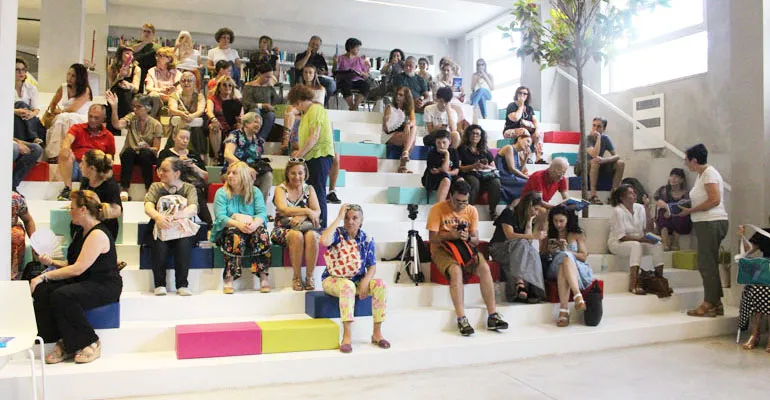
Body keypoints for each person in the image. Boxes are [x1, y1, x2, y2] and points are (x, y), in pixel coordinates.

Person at [33, 190, 122, 364]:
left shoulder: (97, 234)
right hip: (85, 280)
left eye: (72, 207)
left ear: (83, 210)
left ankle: (90, 341)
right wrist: (51, 262)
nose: (69, 211)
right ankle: (61, 340)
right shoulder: (79, 232)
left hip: (104, 285)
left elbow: (77, 269)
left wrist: (43, 276)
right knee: (44, 290)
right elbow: (73, 264)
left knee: (62, 295)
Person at [427, 180, 508, 336]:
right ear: (450, 196)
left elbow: (476, 240)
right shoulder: (437, 209)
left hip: (465, 247)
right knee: (455, 271)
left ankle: (492, 315)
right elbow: (432, 238)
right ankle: (462, 318)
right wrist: (451, 235)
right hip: (442, 249)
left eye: (465, 201)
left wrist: (468, 237)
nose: (461, 205)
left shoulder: (471, 211)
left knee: (484, 267)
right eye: (458, 201)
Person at [320, 204, 389, 353]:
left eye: (355, 218)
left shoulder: (367, 239)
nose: (350, 221)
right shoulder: (337, 234)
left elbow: (372, 266)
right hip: (334, 280)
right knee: (347, 286)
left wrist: (366, 280)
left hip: (357, 281)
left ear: (361, 221)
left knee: (380, 284)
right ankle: (347, 337)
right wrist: (338, 217)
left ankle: (377, 333)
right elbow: (324, 241)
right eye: (347, 218)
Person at [679, 144, 729, 317]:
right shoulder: (702, 175)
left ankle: (709, 302)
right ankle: (716, 303)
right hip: (706, 222)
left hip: (711, 222)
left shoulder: (709, 173)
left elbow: (714, 200)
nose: (685, 163)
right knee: (708, 263)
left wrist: (691, 211)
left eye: (686, 160)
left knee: (706, 264)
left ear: (694, 160)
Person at [212, 161, 271, 294]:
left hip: (250, 226)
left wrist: (254, 224)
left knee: (261, 233)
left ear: (244, 176)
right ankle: (229, 277)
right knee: (235, 236)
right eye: (229, 173)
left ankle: (263, 276)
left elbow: (261, 213)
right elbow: (221, 217)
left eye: (234, 173)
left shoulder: (255, 192)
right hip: (229, 227)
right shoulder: (221, 193)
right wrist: (239, 224)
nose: (229, 176)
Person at [143, 158, 198, 296]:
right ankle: (159, 284)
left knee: (184, 244)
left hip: (180, 226)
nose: (160, 173)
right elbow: (148, 206)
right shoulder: (156, 187)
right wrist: (158, 217)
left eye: (165, 170)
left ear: (177, 173)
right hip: (161, 225)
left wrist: (176, 217)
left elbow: (193, 208)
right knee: (159, 245)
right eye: (160, 169)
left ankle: (182, 284)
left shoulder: (189, 188)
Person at [287, 84, 335, 228]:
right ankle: (315, 223)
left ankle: (322, 225)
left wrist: (298, 156)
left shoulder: (315, 109)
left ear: (299, 101)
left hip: (320, 156)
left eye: (296, 104)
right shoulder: (306, 114)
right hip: (311, 157)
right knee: (312, 192)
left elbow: (314, 137)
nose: (296, 108)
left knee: (318, 192)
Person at [271, 159, 322, 291]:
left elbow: (317, 211)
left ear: (305, 174)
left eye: (300, 173)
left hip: (305, 226)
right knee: (296, 235)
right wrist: (307, 211)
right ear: (287, 173)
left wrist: (303, 216)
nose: (297, 177)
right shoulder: (280, 189)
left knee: (312, 236)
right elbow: (283, 209)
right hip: (283, 228)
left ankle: (309, 277)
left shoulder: (309, 189)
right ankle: (297, 277)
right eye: (293, 173)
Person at [607, 184, 665, 295]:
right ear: (622, 197)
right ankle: (633, 283)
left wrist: (646, 207)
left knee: (657, 245)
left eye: (634, 192)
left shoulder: (640, 208)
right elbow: (622, 237)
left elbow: (649, 229)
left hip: (638, 240)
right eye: (630, 193)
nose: (634, 194)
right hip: (618, 243)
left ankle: (659, 280)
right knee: (635, 245)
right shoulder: (618, 211)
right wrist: (641, 239)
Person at [489, 191, 546, 304]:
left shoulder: (527, 217)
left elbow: (528, 241)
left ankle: (527, 290)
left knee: (532, 252)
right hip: (499, 248)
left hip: (516, 251)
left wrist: (529, 221)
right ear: (528, 205)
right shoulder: (508, 212)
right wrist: (532, 236)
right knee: (523, 245)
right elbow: (509, 235)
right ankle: (522, 283)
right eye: (535, 209)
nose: (536, 212)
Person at [105, 92, 162, 200]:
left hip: (146, 156)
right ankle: (124, 189)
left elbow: (156, 149)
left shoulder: (156, 124)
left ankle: (149, 189)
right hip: (131, 155)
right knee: (128, 152)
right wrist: (114, 107)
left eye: (139, 107)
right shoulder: (131, 117)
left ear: (148, 108)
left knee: (145, 153)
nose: (135, 109)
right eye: (134, 106)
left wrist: (147, 147)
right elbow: (117, 125)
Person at [545, 206, 593, 327]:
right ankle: (578, 296)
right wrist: (549, 251)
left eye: (561, 221)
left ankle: (564, 310)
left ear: (568, 220)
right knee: (563, 258)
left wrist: (567, 251)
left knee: (565, 259)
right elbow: (542, 255)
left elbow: (583, 256)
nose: (558, 224)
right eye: (555, 221)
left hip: (576, 268)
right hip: (553, 268)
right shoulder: (550, 234)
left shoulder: (577, 234)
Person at [56, 105, 116, 201]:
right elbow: (68, 140)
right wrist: (66, 148)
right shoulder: (77, 128)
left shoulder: (109, 136)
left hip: (94, 168)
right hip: (75, 166)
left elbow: (110, 157)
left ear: (103, 118)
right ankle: (67, 189)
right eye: (90, 116)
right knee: (65, 151)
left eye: (96, 118)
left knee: (103, 162)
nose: (92, 120)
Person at [158, 129, 212, 227]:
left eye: (187, 138)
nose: (185, 141)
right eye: (182, 138)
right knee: (195, 192)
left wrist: (193, 166)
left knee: (196, 191)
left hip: (193, 186)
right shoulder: (165, 153)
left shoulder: (194, 154)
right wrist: (177, 162)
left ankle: (209, 226)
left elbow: (206, 176)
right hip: (173, 185)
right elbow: (159, 173)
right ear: (174, 137)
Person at [44, 63, 93, 162]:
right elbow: (52, 105)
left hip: (80, 117)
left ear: (80, 77)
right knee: (62, 119)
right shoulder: (63, 88)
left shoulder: (85, 90)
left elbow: (73, 109)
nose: (69, 78)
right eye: (68, 74)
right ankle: (54, 154)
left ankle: (64, 153)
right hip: (64, 116)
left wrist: (61, 112)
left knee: (66, 118)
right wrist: (55, 111)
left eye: (73, 76)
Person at [222, 112, 273, 202]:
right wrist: (245, 168)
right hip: (233, 171)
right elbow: (227, 154)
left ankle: (260, 205)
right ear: (246, 123)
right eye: (255, 122)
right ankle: (245, 205)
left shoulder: (259, 141)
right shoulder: (235, 135)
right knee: (246, 175)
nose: (258, 125)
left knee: (268, 176)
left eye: (260, 124)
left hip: (251, 173)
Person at [73, 150, 122, 243]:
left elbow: (117, 211)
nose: (80, 165)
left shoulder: (110, 185)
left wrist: (93, 213)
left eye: (83, 162)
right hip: (84, 226)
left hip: (103, 228)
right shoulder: (85, 182)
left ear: (92, 168)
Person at [735, 221, 770, 352]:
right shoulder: (764, 233)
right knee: (755, 290)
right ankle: (754, 334)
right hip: (764, 271)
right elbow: (747, 251)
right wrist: (741, 237)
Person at [458, 125, 501, 220]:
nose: (475, 136)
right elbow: (459, 168)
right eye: (472, 133)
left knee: (496, 182)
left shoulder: (485, 150)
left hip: (485, 175)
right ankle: (467, 211)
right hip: (469, 174)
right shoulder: (462, 149)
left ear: (481, 137)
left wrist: (486, 167)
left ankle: (493, 211)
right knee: (474, 182)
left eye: (477, 134)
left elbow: (493, 166)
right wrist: (473, 166)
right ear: (468, 135)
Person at [521, 157, 569, 231]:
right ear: (551, 169)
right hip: (528, 205)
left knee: (568, 212)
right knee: (543, 211)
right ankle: (539, 235)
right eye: (559, 173)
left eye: (564, 173)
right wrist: (556, 207)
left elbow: (566, 198)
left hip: (543, 205)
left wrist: (570, 204)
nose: (561, 177)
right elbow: (539, 201)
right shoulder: (538, 177)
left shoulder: (561, 178)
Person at [167, 71, 207, 160]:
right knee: (177, 130)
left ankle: (200, 159)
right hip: (179, 124)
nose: (186, 83)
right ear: (180, 83)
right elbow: (172, 108)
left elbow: (201, 110)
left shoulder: (199, 96)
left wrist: (192, 116)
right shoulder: (174, 95)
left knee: (197, 130)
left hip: (195, 125)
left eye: (189, 81)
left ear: (194, 83)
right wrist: (182, 114)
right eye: (183, 81)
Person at [586, 117, 625, 204]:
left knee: (620, 163)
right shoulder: (587, 138)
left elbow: (617, 156)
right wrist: (598, 138)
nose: (595, 128)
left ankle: (613, 195)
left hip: (598, 165)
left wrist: (604, 160)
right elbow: (594, 154)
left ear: (604, 128)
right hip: (583, 166)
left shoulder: (606, 138)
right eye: (594, 125)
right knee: (595, 160)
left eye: (599, 126)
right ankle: (593, 195)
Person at [206, 76, 243, 165]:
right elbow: (209, 111)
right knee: (214, 127)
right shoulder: (212, 99)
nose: (227, 87)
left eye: (230, 85)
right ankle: (217, 157)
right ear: (219, 87)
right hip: (218, 123)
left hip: (232, 125)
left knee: (240, 128)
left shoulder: (236, 101)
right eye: (224, 85)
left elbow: (242, 116)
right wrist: (214, 119)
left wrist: (239, 120)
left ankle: (235, 157)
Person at [653, 168, 692, 251]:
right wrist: (668, 209)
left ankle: (675, 241)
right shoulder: (664, 189)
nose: (673, 178)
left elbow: (685, 206)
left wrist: (672, 212)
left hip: (679, 217)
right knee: (662, 212)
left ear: (681, 180)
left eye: (676, 177)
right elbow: (659, 201)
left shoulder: (686, 193)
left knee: (681, 215)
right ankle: (665, 242)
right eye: (671, 176)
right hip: (666, 217)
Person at [106, 46, 141, 135]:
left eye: (132, 54)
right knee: (115, 94)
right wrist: (119, 76)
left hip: (129, 97)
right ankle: (113, 131)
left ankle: (123, 124)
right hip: (115, 95)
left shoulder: (136, 69)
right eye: (127, 53)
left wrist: (129, 85)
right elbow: (111, 86)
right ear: (120, 55)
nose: (130, 56)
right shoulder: (111, 68)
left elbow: (136, 88)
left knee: (125, 92)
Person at [504, 86, 543, 163]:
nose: (522, 95)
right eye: (520, 93)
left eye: (525, 94)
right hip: (510, 131)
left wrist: (537, 131)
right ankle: (525, 157)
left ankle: (538, 158)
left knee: (539, 134)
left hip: (527, 131)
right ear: (517, 94)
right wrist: (521, 105)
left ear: (527, 96)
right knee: (524, 131)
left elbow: (535, 121)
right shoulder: (511, 106)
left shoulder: (529, 108)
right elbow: (515, 118)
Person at [382, 86, 416, 173]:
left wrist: (408, 124)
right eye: (397, 94)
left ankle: (405, 154)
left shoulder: (409, 109)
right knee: (412, 140)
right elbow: (386, 128)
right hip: (389, 135)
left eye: (401, 95)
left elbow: (413, 121)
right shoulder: (389, 107)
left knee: (413, 129)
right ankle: (403, 164)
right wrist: (386, 121)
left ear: (406, 97)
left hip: (402, 135)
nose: (397, 96)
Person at [241, 64, 279, 140]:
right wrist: (262, 105)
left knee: (270, 115)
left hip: (266, 112)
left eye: (270, 77)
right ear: (259, 74)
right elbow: (246, 103)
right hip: (252, 110)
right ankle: (253, 137)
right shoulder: (249, 86)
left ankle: (261, 139)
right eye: (267, 77)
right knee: (256, 112)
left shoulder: (269, 86)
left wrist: (272, 88)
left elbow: (276, 100)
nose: (268, 79)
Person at [294, 35, 336, 105]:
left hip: (317, 79)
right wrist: (308, 55)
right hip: (304, 78)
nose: (314, 46)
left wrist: (323, 72)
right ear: (309, 43)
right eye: (313, 44)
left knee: (332, 84)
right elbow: (298, 67)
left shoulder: (320, 58)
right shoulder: (300, 55)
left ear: (319, 47)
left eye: (317, 45)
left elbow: (326, 72)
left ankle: (321, 104)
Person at [422, 130, 460, 203]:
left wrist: (443, 171)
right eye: (438, 143)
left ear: (450, 142)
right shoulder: (432, 153)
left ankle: (457, 205)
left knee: (460, 181)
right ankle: (439, 206)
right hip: (432, 179)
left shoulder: (454, 152)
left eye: (444, 142)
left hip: (448, 175)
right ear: (435, 142)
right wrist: (447, 154)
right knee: (446, 179)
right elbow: (442, 170)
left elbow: (456, 171)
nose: (441, 145)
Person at [14, 58, 45, 145]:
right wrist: (17, 111)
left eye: (23, 70)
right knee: (20, 104)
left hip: (29, 118)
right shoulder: (5, 87)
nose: (21, 72)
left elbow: (36, 109)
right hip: (14, 118)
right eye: (17, 70)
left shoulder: (31, 88)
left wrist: (31, 114)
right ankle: (34, 137)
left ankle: (32, 138)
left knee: (24, 108)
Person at [144, 47, 181, 118]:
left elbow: (180, 90)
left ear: (169, 59)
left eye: (160, 56)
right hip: (157, 99)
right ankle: (151, 120)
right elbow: (148, 88)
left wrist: (172, 93)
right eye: (156, 56)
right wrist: (162, 91)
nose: (157, 58)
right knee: (154, 95)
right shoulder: (152, 71)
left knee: (175, 99)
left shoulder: (177, 73)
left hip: (172, 100)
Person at [335, 38, 370, 111]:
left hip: (358, 80)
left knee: (366, 86)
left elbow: (366, 75)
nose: (358, 50)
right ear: (350, 48)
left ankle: (354, 107)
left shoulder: (360, 60)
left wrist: (363, 73)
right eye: (357, 48)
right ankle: (352, 106)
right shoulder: (340, 58)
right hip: (345, 80)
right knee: (344, 85)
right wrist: (335, 63)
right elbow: (335, 71)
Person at [495, 136, 531, 204]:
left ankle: (513, 206)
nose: (528, 145)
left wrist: (526, 158)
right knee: (529, 184)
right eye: (528, 141)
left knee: (531, 184)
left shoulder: (518, 153)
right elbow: (512, 169)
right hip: (503, 177)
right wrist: (528, 178)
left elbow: (520, 171)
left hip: (511, 177)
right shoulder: (509, 147)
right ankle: (512, 206)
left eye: (530, 144)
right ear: (519, 139)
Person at [11, 191, 36, 280]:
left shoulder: (15, 198)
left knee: (16, 234)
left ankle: (13, 277)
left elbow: (28, 220)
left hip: (11, 237)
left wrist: (35, 244)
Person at [132, 23, 161, 93]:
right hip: (137, 72)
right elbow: (132, 50)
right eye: (144, 31)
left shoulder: (157, 47)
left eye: (148, 32)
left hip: (151, 73)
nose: (146, 33)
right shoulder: (135, 44)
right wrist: (144, 42)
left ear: (153, 34)